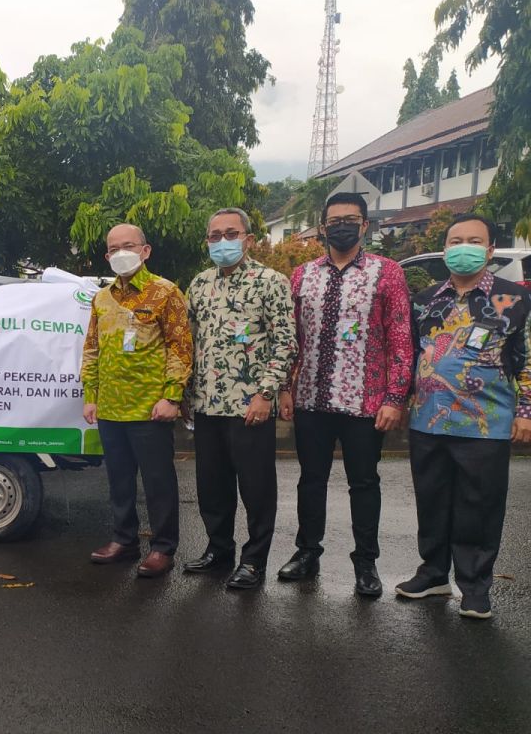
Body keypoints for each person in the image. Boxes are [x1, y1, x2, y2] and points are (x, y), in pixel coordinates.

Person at [278, 192, 413, 597]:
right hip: (312, 399)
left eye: (350, 219)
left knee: (364, 483)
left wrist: (394, 398)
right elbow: (292, 339)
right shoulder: (303, 275)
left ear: (365, 225)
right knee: (311, 480)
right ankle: (307, 552)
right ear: (322, 227)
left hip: (364, 402)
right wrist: (286, 386)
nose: (341, 226)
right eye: (334, 220)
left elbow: (401, 339)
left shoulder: (387, 273)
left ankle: (366, 562)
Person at [400, 213, 531, 619]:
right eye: (455, 241)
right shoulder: (426, 300)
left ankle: (475, 586)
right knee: (432, 500)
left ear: (490, 250)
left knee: (480, 505)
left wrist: (525, 410)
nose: (463, 248)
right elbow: (413, 354)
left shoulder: (516, 298)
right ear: (445, 249)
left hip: (485, 420)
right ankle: (434, 573)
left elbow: (526, 358)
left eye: (474, 241)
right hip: (428, 419)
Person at [182, 208, 296, 589]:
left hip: (250, 405)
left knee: (256, 487)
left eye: (230, 233)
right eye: (214, 235)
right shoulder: (199, 285)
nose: (222, 241)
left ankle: (254, 560)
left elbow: (285, 342)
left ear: (248, 239)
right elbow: (188, 342)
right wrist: (184, 393)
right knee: (211, 485)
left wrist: (267, 393)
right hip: (207, 404)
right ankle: (219, 550)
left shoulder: (270, 282)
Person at [82, 223, 193, 577]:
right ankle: (124, 540)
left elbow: (180, 347)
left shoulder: (165, 292)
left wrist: (172, 396)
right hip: (112, 407)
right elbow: (92, 348)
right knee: (119, 480)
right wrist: (91, 395)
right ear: (107, 256)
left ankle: (163, 547)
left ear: (145, 251)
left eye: (128, 245)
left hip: (151, 408)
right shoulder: (101, 298)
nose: (121, 253)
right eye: (114, 248)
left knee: (158, 480)